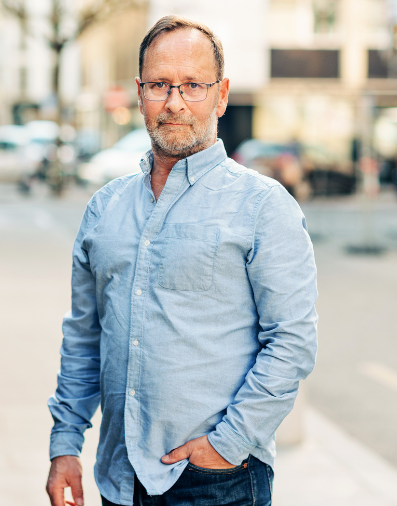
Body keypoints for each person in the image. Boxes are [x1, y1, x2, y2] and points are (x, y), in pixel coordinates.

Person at [45, 16, 317, 506]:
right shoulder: (105, 208)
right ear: (139, 92)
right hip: (118, 477)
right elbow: (85, 336)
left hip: (219, 481)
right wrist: (65, 445)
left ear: (222, 94)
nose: (174, 102)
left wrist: (226, 446)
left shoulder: (263, 206)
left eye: (193, 85)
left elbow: (292, 342)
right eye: (159, 85)